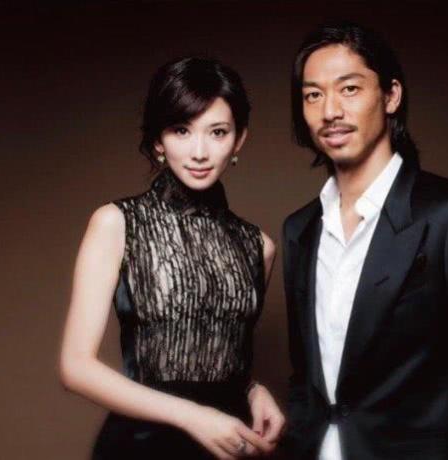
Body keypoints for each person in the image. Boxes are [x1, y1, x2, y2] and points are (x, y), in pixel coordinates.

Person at [281, 22, 448, 459]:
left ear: (391, 95)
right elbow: (307, 379)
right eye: (313, 95)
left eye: (349, 89)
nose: (329, 110)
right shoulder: (300, 229)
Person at [59, 56, 285, 459]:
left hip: (228, 445)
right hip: (142, 446)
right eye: (182, 130)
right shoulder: (117, 223)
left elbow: (221, 357)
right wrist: (193, 417)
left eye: (217, 132)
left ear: (239, 140)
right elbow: (75, 366)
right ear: (158, 141)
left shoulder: (258, 246)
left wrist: (252, 389)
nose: (199, 152)